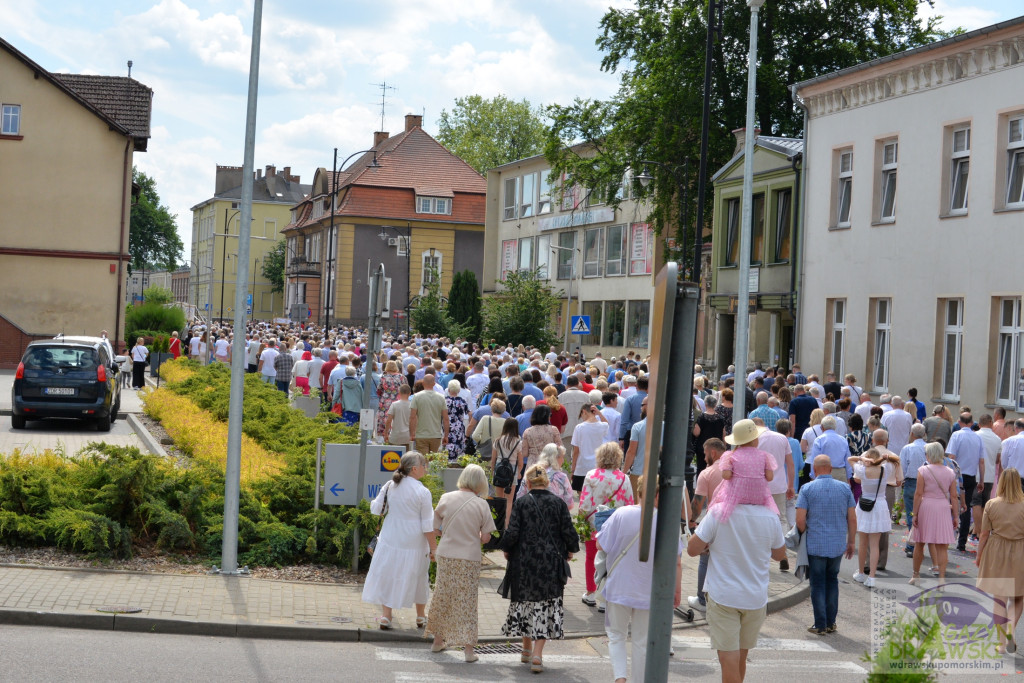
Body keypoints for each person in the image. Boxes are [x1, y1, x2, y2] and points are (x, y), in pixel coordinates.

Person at [687, 459, 786, 683]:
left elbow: (692, 549)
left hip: (724, 595)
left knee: (728, 658)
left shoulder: (719, 512)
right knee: (741, 656)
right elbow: (780, 555)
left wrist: (710, 545)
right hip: (755, 597)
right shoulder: (770, 516)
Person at [597, 475, 683, 683]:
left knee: (616, 635)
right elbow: (677, 561)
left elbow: (601, 545)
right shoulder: (666, 522)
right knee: (642, 641)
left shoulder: (620, 514)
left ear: (639, 492)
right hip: (648, 590)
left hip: (618, 586)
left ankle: (619, 678)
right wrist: (676, 591)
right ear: (658, 496)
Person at [500, 464, 580, 674]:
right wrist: (571, 550)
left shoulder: (522, 502)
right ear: (546, 482)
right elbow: (569, 532)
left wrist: (506, 549)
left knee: (526, 603)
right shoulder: (558, 503)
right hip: (550, 563)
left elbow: (513, 531)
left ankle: (526, 650)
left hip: (524, 563)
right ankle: (536, 654)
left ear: (527, 483)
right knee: (545, 606)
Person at [426, 464, 496, 662]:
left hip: (446, 555)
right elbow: (485, 538)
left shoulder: (446, 498)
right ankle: (468, 651)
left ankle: (437, 641)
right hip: (469, 558)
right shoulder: (481, 504)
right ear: (480, 482)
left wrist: (443, 532)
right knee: (466, 602)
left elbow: (434, 526)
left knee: (443, 596)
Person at [362, 452, 436, 630]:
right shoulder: (423, 492)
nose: (426, 469)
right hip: (414, 541)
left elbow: (376, 508)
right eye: (424, 465)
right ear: (415, 469)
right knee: (419, 576)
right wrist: (434, 548)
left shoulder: (390, 485)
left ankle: (386, 616)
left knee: (388, 574)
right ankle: (420, 616)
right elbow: (428, 525)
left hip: (390, 537)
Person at [797, 454, 857, 634]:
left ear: (814, 470)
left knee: (817, 583)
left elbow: (800, 519)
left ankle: (820, 623)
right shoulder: (845, 489)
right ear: (830, 469)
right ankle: (831, 622)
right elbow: (852, 519)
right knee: (832, 581)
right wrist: (851, 541)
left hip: (815, 544)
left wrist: (804, 533)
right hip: (837, 544)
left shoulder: (807, 489)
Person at [579, 442, 635, 609]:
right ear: (618, 457)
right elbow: (629, 504)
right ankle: (605, 597)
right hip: (616, 526)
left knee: (591, 557)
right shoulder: (624, 478)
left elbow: (584, 504)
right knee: (612, 560)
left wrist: (583, 522)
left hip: (594, 524)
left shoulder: (591, 475)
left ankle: (590, 592)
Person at [975, 468, 1024, 654]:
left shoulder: (991, 504)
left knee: (1000, 599)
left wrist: (979, 556)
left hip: (996, 550)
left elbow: (984, 534)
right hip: (1020, 549)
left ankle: (1002, 644)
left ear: (1001, 482)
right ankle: (1011, 630)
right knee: (1018, 597)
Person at [847, 448, 899, 587]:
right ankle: (872, 577)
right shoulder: (885, 469)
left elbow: (849, 459)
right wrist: (884, 458)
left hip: (864, 506)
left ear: (869, 458)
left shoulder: (862, 470)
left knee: (863, 542)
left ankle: (861, 573)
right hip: (880, 505)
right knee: (874, 544)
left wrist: (861, 459)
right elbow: (893, 461)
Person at [909, 443, 959, 583]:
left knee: (920, 542)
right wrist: (955, 516)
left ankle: (916, 575)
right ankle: (941, 577)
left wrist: (915, 513)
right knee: (942, 546)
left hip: (926, 506)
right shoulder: (950, 472)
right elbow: (954, 496)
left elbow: (918, 494)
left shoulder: (923, 470)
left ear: (929, 455)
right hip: (943, 507)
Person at [687, 438, 727, 613]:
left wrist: (690, 520)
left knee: (704, 558)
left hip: (715, 519)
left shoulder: (708, 473)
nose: (703, 458)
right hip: (738, 519)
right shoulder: (734, 467)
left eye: (704, 454)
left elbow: (697, 504)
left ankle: (702, 599)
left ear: (712, 453)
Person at [947, 412, 985, 551]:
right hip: (970, 476)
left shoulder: (956, 435)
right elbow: (981, 461)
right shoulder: (978, 438)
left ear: (959, 421)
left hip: (956, 474)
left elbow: (951, 457)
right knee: (966, 507)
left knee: (951, 504)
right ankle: (961, 542)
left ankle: (946, 537)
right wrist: (981, 479)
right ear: (972, 422)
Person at [899, 423, 928, 557]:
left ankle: (912, 545)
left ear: (912, 434)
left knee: (912, 514)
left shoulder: (907, 448)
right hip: (927, 482)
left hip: (911, 481)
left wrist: (901, 481)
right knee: (923, 515)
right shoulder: (928, 448)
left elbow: (903, 467)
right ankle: (918, 543)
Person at [518, 443, 574, 509]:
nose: (563, 460)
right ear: (556, 458)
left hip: (530, 515)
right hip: (554, 516)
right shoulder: (561, 477)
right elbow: (569, 504)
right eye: (562, 457)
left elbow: (519, 497)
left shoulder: (530, 473)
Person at [490, 417, 522, 530]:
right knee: (509, 500)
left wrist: (493, 471)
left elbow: (493, 459)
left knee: (499, 498)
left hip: (499, 471)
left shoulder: (498, 440)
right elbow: (520, 461)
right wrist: (519, 473)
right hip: (512, 472)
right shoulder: (518, 441)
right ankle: (506, 524)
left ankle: (497, 523)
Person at [571, 402, 610, 492]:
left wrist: (573, 468)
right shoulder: (602, 426)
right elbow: (606, 424)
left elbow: (576, 450)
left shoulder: (579, 427)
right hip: (597, 465)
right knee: (596, 494)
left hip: (582, 466)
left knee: (582, 495)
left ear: (584, 411)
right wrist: (599, 414)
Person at [410, 374, 449, 453]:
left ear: (423, 383)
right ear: (434, 384)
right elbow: (445, 418)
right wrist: (446, 435)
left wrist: (412, 433)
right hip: (436, 434)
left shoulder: (416, 397)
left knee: (423, 460)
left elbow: (412, 417)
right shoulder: (441, 397)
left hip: (421, 435)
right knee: (433, 461)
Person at [377, 360, 406, 437]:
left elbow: (379, 389)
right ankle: (396, 433)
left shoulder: (383, 377)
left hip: (385, 399)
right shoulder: (401, 377)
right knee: (397, 417)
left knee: (384, 417)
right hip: (398, 398)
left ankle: (383, 434)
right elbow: (404, 388)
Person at [445, 379, 470, 461]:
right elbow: (469, 413)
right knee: (459, 449)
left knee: (447, 448)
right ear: (458, 390)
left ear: (448, 390)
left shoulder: (445, 401)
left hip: (447, 427)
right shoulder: (462, 401)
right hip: (459, 428)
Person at [384, 384, 413, 450]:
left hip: (395, 436)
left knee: (394, 457)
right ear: (409, 393)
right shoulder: (412, 406)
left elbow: (389, 420)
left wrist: (386, 433)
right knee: (406, 459)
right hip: (407, 437)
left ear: (399, 392)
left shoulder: (394, 404)